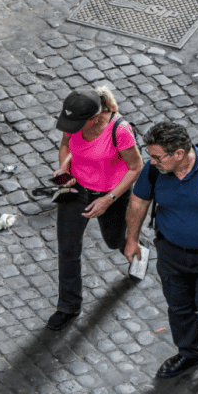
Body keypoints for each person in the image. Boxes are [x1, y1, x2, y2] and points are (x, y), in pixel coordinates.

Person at [124, 121, 198, 379]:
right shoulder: (154, 171)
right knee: (178, 307)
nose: (152, 162)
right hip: (171, 253)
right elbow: (139, 203)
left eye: (158, 157)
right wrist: (132, 240)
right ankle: (190, 352)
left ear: (179, 154)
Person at [48, 86, 143, 331]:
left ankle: (133, 246)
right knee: (68, 249)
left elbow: (135, 167)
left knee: (113, 240)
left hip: (110, 193)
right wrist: (64, 169)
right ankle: (68, 306)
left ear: (94, 117)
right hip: (77, 189)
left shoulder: (120, 131)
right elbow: (66, 146)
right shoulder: (74, 124)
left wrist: (108, 199)